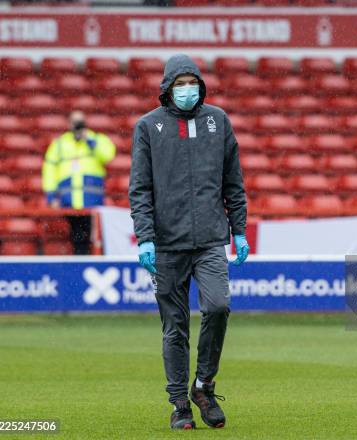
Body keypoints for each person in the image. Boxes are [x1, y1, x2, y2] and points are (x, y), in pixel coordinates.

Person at [129, 54, 249, 430]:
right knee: (174, 326)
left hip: (211, 239)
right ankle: (180, 403)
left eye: (191, 82)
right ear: (167, 87)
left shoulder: (219, 121)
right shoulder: (148, 127)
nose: (186, 90)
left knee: (218, 307)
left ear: (200, 83)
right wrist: (145, 238)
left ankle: (204, 385)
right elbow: (140, 188)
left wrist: (240, 229)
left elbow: (234, 181)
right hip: (166, 244)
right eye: (179, 84)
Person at [42, 111, 116, 254]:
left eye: (80, 122)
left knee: (93, 240)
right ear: (69, 124)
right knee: (76, 239)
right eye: (75, 122)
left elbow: (108, 155)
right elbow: (49, 170)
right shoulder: (59, 144)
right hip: (68, 202)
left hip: (92, 202)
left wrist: (89, 140)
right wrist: (51, 197)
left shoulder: (97, 139)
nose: (78, 125)